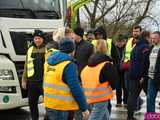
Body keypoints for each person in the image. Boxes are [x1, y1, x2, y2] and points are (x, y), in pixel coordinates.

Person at [43, 38, 89, 120]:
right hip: (62, 107)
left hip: (49, 104)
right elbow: (75, 88)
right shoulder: (68, 65)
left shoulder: (48, 62)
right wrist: (84, 108)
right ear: (72, 51)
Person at [81, 39, 118, 120]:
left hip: (89, 96)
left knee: (105, 116)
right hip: (101, 97)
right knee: (95, 117)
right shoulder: (106, 64)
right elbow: (113, 80)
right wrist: (114, 88)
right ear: (106, 49)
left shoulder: (89, 64)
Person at [21, 30, 46, 120]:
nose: (37, 40)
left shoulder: (47, 49)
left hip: (44, 81)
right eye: (35, 38)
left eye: (39, 38)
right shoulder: (30, 49)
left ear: (42, 39)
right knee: (32, 103)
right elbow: (26, 65)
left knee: (48, 104)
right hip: (32, 81)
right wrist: (24, 80)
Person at [127, 31, 150, 120]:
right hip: (141, 76)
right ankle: (150, 117)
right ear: (146, 37)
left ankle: (129, 116)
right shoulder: (145, 47)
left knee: (132, 96)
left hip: (132, 74)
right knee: (150, 97)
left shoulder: (135, 46)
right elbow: (145, 63)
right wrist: (143, 76)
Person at [147, 31, 160, 112]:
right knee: (150, 100)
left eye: (154, 38)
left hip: (159, 77)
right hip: (151, 77)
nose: (152, 40)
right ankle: (151, 118)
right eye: (151, 38)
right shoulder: (151, 48)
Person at [115, 34, 128, 107]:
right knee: (118, 86)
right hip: (117, 69)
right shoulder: (114, 48)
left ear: (124, 42)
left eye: (121, 41)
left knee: (125, 86)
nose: (119, 43)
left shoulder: (126, 48)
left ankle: (125, 101)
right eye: (118, 41)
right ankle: (118, 101)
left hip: (125, 69)